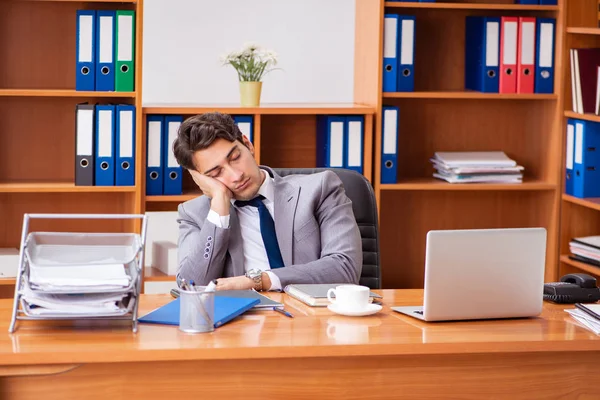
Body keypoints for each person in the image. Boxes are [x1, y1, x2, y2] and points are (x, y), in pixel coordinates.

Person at [172, 112, 362, 292]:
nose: (236, 176)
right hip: (243, 322)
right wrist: (220, 203)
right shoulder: (194, 214)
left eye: (236, 158)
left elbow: (345, 267)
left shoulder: (320, 188)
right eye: (215, 174)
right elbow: (191, 287)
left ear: (248, 144)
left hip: (314, 319)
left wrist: (260, 280)